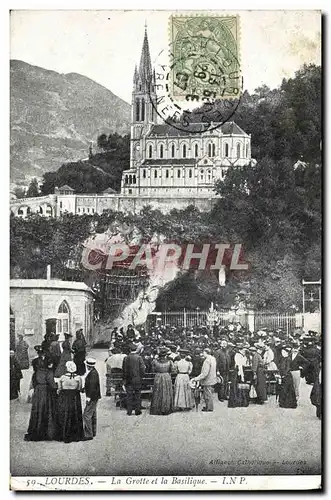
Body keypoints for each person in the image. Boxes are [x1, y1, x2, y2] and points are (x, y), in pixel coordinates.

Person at [24, 353, 58, 441]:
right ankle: (47, 432)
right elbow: (52, 385)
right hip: (46, 392)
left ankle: (36, 429)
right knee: (47, 410)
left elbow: (33, 383)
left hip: (38, 392)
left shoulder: (36, 372)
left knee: (38, 411)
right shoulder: (49, 372)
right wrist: (57, 386)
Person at [56, 361, 84, 443]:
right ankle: (75, 434)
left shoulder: (62, 378)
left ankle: (63, 433)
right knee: (74, 414)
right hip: (74, 397)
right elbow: (79, 388)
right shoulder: (78, 378)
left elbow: (59, 389)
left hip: (64, 397)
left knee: (64, 414)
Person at [122, 343, 146, 416]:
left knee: (129, 395)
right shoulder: (139, 358)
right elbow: (142, 369)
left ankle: (129, 411)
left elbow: (124, 370)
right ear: (136, 349)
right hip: (137, 379)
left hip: (129, 379)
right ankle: (137, 410)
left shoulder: (126, 358)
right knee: (137, 395)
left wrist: (125, 379)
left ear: (129, 350)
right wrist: (141, 376)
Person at [192, 348, 217, 412]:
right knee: (209, 393)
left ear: (206, 352)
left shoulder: (207, 361)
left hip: (207, 380)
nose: (202, 354)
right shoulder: (213, 358)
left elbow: (204, 373)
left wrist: (196, 379)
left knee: (207, 394)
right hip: (212, 378)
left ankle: (209, 408)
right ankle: (209, 407)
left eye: (203, 352)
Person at [150, 347, 174, 415]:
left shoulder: (155, 361)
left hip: (158, 376)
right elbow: (172, 370)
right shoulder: (169, 362)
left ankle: (157, 408)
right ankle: (166, 408)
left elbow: (153, 370)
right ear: (166, 355)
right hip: (166, 377)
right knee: (166, 391)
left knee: (157, 391)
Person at [82, 357, 101, 440]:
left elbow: (92, 386)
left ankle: (88, 434)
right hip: (95, 396)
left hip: (92, 397)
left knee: (86, 415)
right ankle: (93, 431)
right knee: (93, 414)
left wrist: (88, 397)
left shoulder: (92, 374)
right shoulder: (94, 372)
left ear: (88, 366)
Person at [228, 343, 250, 408]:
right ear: (240, 350)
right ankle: (236, 401)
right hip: (237, 372)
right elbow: (239, 364)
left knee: (241, 386)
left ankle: (241, 401)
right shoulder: (237, 355)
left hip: (241, 371)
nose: (244, 351)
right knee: (236, 386)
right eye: (243, 350)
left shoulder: (243, 356)